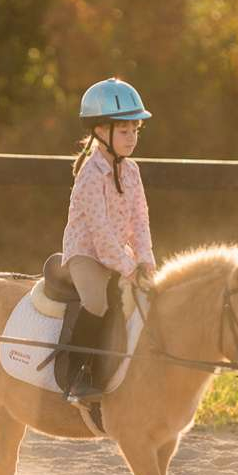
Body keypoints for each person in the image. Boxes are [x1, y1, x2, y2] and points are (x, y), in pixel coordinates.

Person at [60, 77, 156, 404]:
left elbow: (139, 220)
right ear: (102, 132)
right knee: (97, 302)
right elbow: (100, 234)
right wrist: (129, 267)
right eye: (125, 131)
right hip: (86, 254)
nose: (132, 138)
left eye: (135, 131)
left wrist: (145, 260)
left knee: (142, 304)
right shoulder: (90, 174)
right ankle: (78, 373)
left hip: (119, 255)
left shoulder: (132, 172)